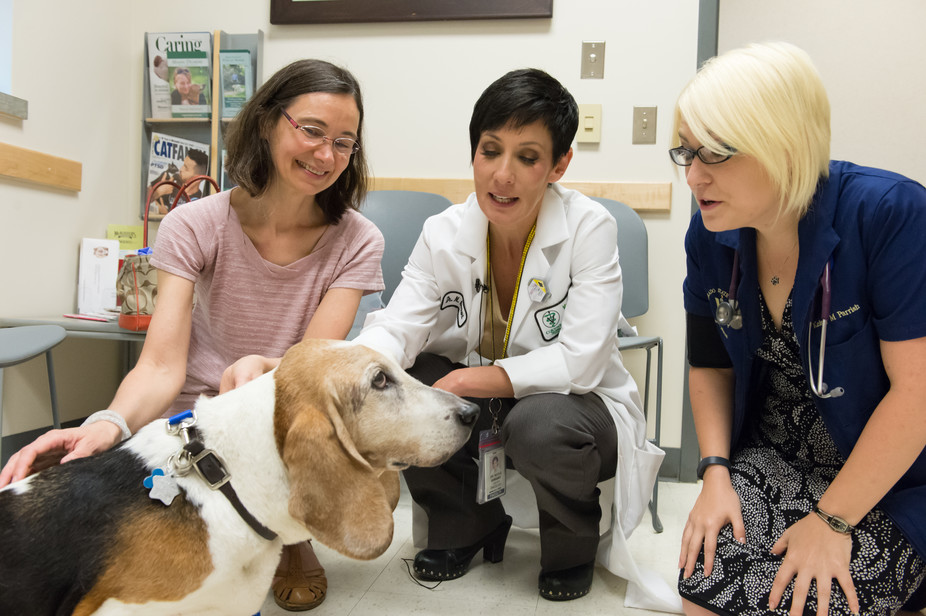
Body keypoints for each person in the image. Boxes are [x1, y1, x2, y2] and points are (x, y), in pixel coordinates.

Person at [0, 58, 385, 612]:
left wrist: (263, 369)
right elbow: (160, 367)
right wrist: (106, 424)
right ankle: (280, 528)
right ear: (266, 125)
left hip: (285, 415)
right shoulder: (195, 222)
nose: (326, 155)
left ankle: (294, 530)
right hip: (194, 422)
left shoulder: (358, 239)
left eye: (344, 142)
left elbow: (311, 367)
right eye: (312, 131)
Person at [352, 68, 666, 604]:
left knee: (538, 421)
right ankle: (464, 527)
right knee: (407, 384)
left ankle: (571, 546)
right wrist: (363, 367)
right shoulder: (442, 232)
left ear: (559, 164)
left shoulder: (590, 228)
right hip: (486, 405)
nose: (502, 175)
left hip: (575, 412)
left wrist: (477, 379)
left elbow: (583, 362)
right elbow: (400, 323)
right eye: (489, 150)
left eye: (527, 157)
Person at [674, 42, 926, 616]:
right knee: (706, 586)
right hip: (776, 455)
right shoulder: (710, 236)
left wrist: (832, 520)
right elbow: (709, 363)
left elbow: (919, 394)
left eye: (713, 153)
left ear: (781, 144)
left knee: (811, 599)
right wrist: (715, 472)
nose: (693, 176)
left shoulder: (890, 215)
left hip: (893, 474)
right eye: (685, 153)